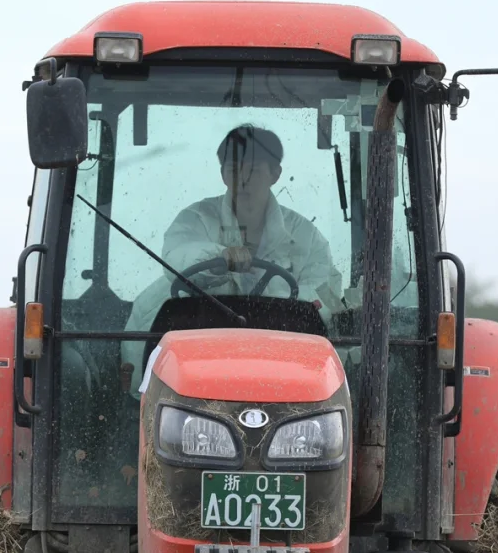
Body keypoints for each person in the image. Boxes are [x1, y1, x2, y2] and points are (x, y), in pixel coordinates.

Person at [121, 124, 341, 384]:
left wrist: (268, 307)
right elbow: (176, 259)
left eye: (254, 170)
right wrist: (220, 257)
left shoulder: (305, 236)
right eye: (234, 170)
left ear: (275, 174)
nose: (244, 180)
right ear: (223, 175)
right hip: (196, 352)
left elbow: (324, 292)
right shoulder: (196, 220)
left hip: (281, 361)